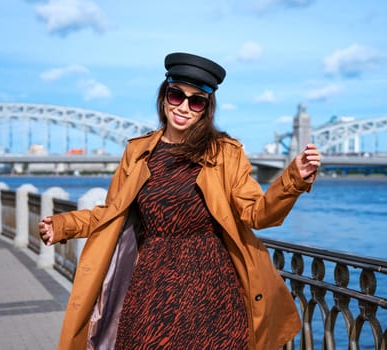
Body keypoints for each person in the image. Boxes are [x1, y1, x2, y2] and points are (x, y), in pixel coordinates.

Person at [39, 52, 321, 350]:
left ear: (205, 109)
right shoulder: (138, 152)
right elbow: (111, 214)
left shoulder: (225, 152)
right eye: (177, 96)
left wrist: (294, 178)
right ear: (165, 96)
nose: (184, 107)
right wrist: (63, 225)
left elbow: (257, 214)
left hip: (212, 290)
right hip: (151, 285)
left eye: (196, 101)